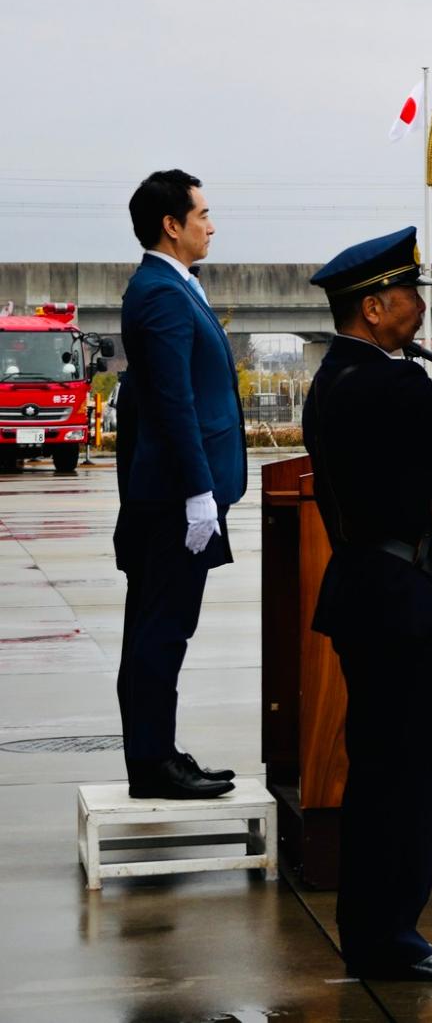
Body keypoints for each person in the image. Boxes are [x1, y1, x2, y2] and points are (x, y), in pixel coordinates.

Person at [302, 226, 432, 984]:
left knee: (381, 773)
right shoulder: (379, 386)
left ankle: (374, 929)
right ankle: (389, 936)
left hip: (373, 596)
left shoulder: (346, 377)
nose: (420, 308)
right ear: (371, 308)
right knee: (407, 777)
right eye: (410, 296)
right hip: (396, 605)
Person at [113, 168, 245, 800]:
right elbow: (172, 401)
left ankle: (157, 752)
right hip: (173, 498)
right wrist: (197, 492)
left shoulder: (174, 285)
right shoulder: (162, 292)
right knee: (161, 629)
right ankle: (153, 764)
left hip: (172, 493)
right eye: (203, 215)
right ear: (172, 226)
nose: (211, 225)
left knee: (162, 627)